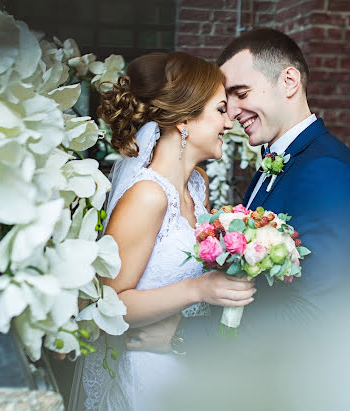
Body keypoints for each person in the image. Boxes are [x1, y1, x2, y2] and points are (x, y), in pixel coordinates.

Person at [126, 28, 350, 410]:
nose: (232, 112)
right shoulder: (274, 165)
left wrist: (183, 337)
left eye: (241, 94)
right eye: (226, 101)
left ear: (289, 81)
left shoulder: (327, 171)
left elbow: (317, 317)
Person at [80, 52, 256, 410]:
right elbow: (108, 304)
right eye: (220, 110)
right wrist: (199, 288)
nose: (229, 123)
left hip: (189, 366)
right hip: (148, 373)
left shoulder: (197, 185)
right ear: (186, 119)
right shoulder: (147, 196)